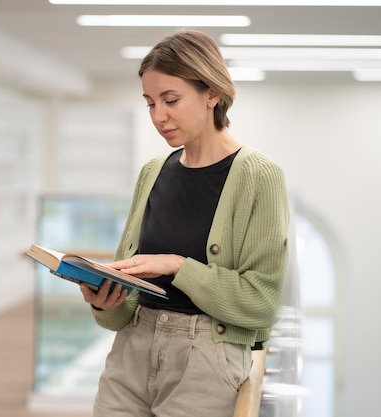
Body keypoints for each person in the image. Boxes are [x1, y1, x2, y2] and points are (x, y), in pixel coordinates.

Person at [79, 28, 290, 417]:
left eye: (171, 100)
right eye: (150, 103)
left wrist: (177, 267)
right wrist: (105, 300)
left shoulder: (259, 176)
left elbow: (261, 302)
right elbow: (124, 308)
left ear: (212, 93)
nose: (159, 116)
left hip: (206, 361)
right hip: (132, 350)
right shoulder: (152, 172)